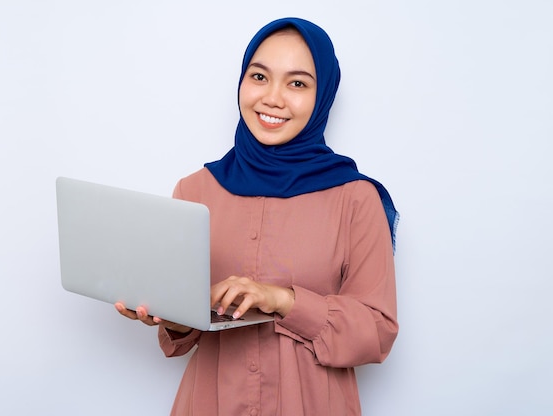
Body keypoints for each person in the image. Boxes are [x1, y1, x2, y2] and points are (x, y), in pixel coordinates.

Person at [115, 17, 399, 415]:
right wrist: (171, 318)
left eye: (297, 83)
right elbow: (188, 330)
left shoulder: (355, 197)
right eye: (260, 76)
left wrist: (282, 300)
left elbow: (377, 331)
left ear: (323, 96)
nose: (273, 98)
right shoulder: (195, 191)